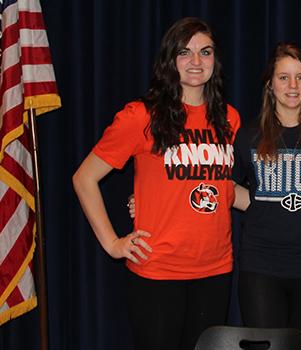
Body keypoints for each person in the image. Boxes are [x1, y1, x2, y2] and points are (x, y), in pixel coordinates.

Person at [72, 17, 240, 350]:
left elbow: (223, 188)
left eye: (205, 52)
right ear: (169, 60)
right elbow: (84, 177)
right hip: (158, 272)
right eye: (185, 52)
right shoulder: (141, 116)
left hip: (216, 268)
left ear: (215, 61)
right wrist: (112, 243)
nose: (196, 62)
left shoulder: (229, 118)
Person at [232, 42, 301, 350]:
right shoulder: (248, 135)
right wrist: (258, 202)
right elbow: (227, 188)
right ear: (270, 85)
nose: (292, 86)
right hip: (261, 266)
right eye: (284, 77)